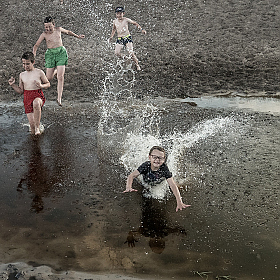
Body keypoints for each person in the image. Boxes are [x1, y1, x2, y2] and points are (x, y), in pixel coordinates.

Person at [33, 16, 85, 106]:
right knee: (48, 78)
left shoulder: (58, 30)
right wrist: (34, 54)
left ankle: (59, 98)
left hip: (61, 53)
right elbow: (36, 45)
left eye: (50, 27)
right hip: (50, 54)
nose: (48, 29)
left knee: (60, 77)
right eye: (46, 27)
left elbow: (68, 32)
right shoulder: (44, 34)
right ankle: (56, 70)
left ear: (54, 24)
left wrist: (77, 36)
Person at [124, 146, 191, 211]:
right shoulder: (145, 166)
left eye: (160, 158)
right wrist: (128, 187)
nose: (157, 160)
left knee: (176, 185)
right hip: (146, 180)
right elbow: (131, 175)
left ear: (164, 159)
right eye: (154, 157)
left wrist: (179, 201)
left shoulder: (164, 169)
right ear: (149, 157)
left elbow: (172, 185)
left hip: (160, 180)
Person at [8, 52, 50, 136]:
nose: (25, 66)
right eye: (23, 64)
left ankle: (38, 127)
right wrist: (12, 85)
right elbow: (20, 91)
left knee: (36, 103)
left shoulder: (39, 72)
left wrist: (41, 85)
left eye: (28, 64)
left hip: (38, 95)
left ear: (33, 62)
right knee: (32, 127)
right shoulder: (22, 75)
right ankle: (36, 132)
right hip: (27, 98)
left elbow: (48, 84)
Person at [108, 6, 146, 71]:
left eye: (120, 13)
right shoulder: (115, 21)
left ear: (123, 13)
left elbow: (135, 23)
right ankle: (126, 58)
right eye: (117, 13)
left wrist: (141, 29)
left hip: (127, 37)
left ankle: (137, 65)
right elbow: (114, 29)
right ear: (115, 14)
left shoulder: (126, 19)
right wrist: (111, 37)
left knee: (131, 52)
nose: (119, 15)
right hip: (120, 39)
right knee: (117, 53)